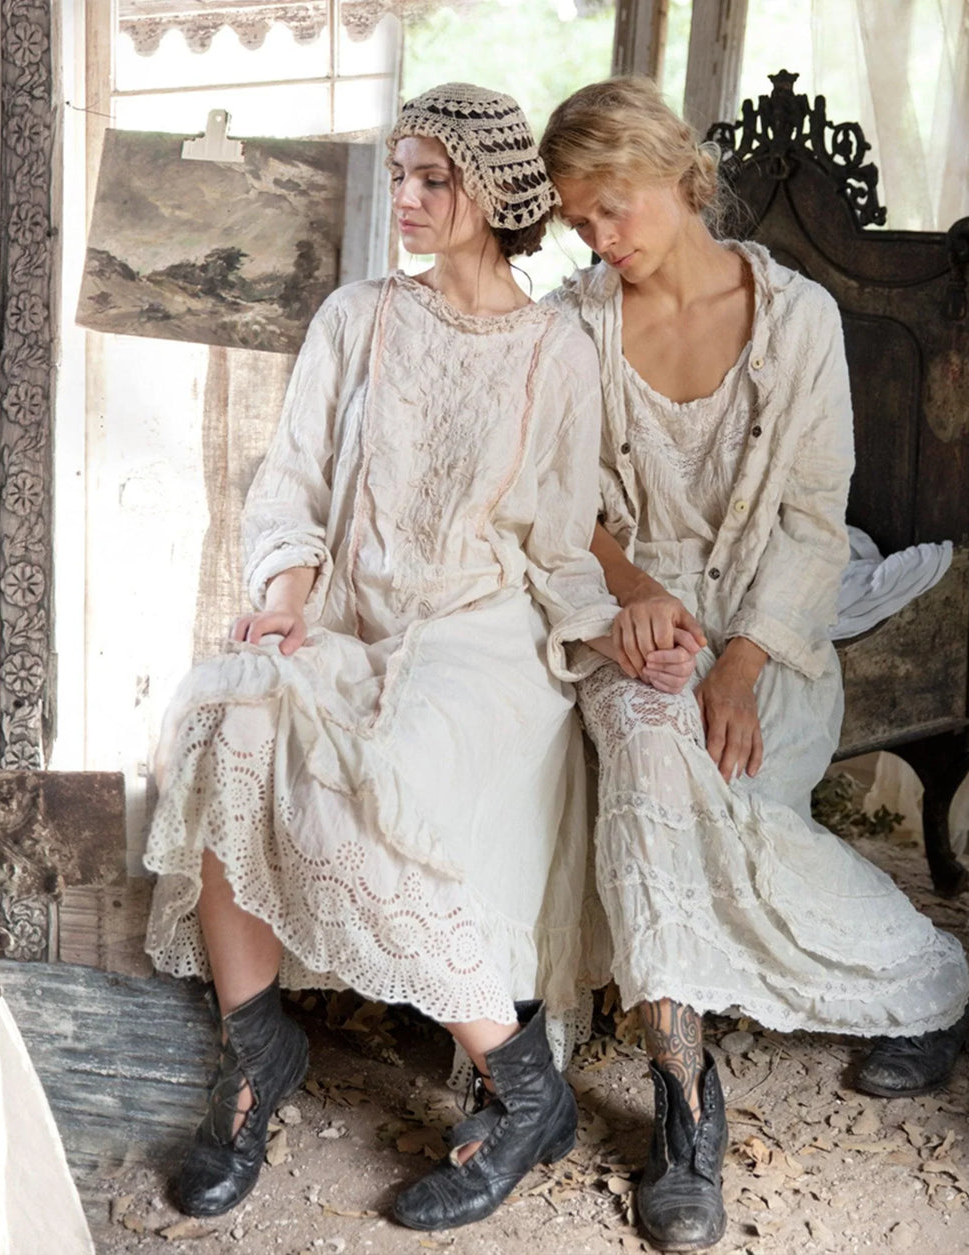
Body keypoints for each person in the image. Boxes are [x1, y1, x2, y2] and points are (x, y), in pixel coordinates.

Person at [142, 82, 618, 1232]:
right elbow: (293, 479)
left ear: (490, 193)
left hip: (484, 637)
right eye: (400, 174)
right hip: (347, 616)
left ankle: (523, 1090)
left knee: (376, 779)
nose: (404, 196)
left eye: (431, 179)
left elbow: (562, 541)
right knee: (226, 709)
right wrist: (286, 599)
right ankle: (257, 1052)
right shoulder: (357, 317)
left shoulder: (558, 349)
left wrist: (620, 634)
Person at [538, 77, 969, 1252]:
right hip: (630, 620)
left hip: (770, 634)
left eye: (613, 207)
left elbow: (814, 522)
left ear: (680, 177)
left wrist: (736, 670)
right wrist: (636, 596)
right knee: (647, 745)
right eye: (580, 220)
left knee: (729, 806)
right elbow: (560, 503)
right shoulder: (574, 324)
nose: (599, 238)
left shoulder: (799, 321)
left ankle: (925, 979)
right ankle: (686, 1103)